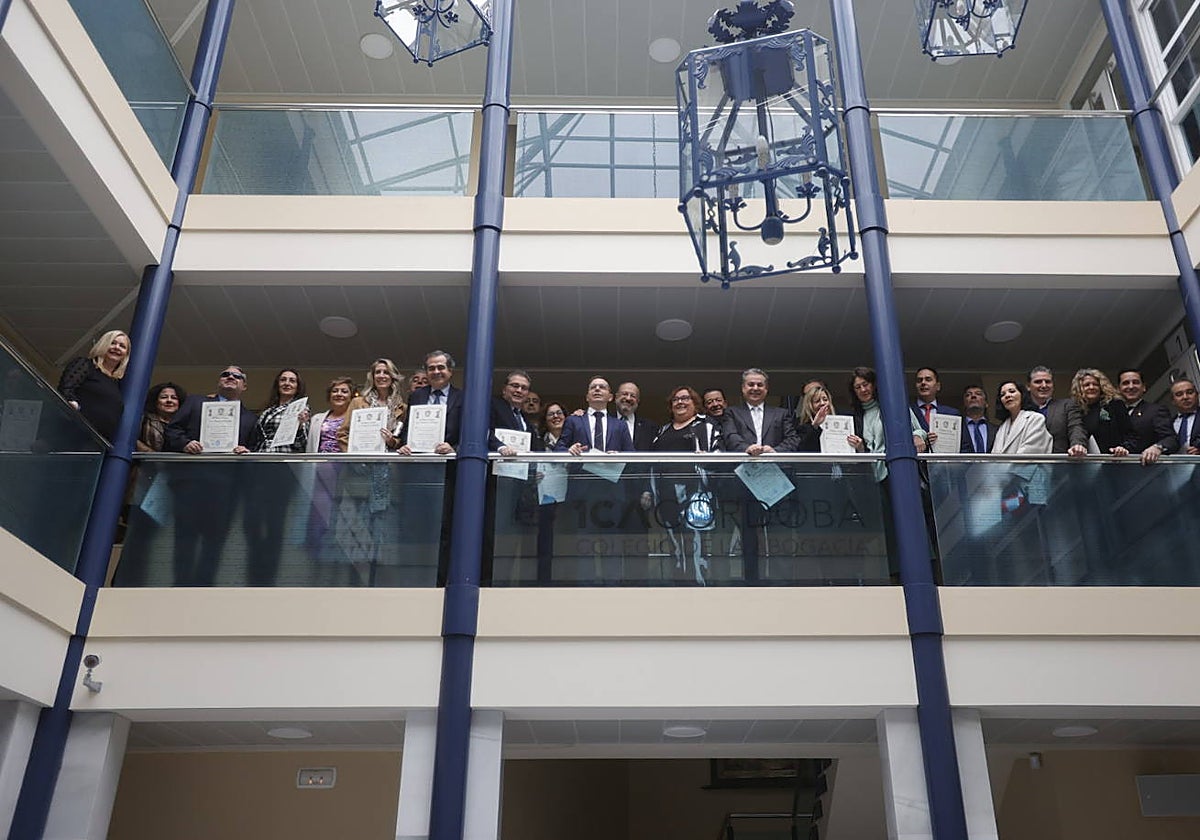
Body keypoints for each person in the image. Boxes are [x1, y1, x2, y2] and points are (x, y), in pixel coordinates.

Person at [163, 366, 258, 585]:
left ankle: (203, 587)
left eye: (237, 376)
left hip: (226, 487)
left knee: (215, 541)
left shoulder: (250, 418)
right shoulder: (196, 402)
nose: (230, 377)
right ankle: (180, 586)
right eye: (226, 374)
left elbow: (253, 448)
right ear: (219, 381)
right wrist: (185, 443)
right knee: (184, 537)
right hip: (191, 481)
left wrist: (245, 451)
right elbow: (172, 430)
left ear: (244, 386)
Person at [640, 386, 723, 585]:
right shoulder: (663, 431)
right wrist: (648, 490)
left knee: (697, 540)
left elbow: (719, 455)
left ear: (695, 404)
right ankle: (679, 585)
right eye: (676, 399)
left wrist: (707, 459)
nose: (680, 402)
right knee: (674, 542)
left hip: (696, 493)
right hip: (666, 493)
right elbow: (651, 463)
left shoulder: (705, 426)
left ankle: (699, 586)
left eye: (685, 398)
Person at [244, 369, 309, 586]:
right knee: (251, 521)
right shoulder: (267, 410)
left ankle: (268, 575)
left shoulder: (301, 409)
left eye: (292, 381)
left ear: (298, 387)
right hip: (259, 468)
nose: (287, 383)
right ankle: (254, 569)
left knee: (274, 522)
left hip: (282, 469)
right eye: (283, 380)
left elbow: (302, 445)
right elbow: (257, 439)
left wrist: (301, 425)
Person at [305, 377, 354, 583]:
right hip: (319, 470)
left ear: (351, 397)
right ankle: (315, 567)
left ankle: (338, 568)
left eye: (344, 391)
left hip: (345, 471)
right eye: (335, 391)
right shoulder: (318, 418)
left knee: (341, 517)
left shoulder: (356, 417)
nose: (339, 394)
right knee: (319, 517)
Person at [847, 367, 928, 476]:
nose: (863, 390)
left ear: (873, 385)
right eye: (858, 387)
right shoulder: (856, 417)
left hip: (898, 470)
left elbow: (920, 430)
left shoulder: (893, 404)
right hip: (872, 476)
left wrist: (917, 436)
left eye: (865, 384)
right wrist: (860, 448)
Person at [57, 329, 129, 442]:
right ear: (103, 345)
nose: (117, 347)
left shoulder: (119, 383)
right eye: (112, 343)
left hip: (98, 443)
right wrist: (73, 404)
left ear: (126, 355)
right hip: (72, 433)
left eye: (122, 346)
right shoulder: (86, 365)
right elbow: (66, 389)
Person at [720, 368, 800, 454]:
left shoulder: (781, 414)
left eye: (760, 385)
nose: (755, 388)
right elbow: (730, 436)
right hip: (743, 460)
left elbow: (792, 439)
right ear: (743, 388)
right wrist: (747, 448)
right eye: (751, 384)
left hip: (774, 461)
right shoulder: (731, 412)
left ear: (766, 389)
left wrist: (775, 451)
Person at [399, 351, 460, 455]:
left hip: (449, 458)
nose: (436, 372)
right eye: (431, 368)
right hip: (419, 457)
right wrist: (405, 445)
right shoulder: (416, 396)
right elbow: (407, 427)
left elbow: (468, 432)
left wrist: (454, 449)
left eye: (441, 367)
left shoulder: (462, 397)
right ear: (427, 373)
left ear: (450, 371)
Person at [555, 377, 635, 454]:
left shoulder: (620, 425)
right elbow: (558, 449)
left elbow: (630, 454)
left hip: (610, 464)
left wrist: (618, 455)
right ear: (587, 397)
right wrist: (570, 450)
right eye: (593, 387)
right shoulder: (573, 420)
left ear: (610, 397)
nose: (597, 389)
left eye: (602, 387)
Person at [341, 358, 406, 452]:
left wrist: (391, 441)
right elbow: (343, 434)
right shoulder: (357, 403)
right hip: (361, 457)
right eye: (378, 372)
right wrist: (352, 454)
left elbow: (402, 439)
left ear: (392, 377)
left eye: (386, 372)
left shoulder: (402, 408)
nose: (381, 376)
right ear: (372, 377)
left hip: (389, 458)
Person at [1117, 368, 1178, 464]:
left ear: (1144, 387)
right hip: (1115, 468)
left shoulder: (1155, 410)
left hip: (1146, 468)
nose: (1131, 386)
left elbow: (1171, 439)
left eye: (1135, 382)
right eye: (1125, 383)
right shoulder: (1114, 413)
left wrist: (1157, 447)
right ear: (1118, 389)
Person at [1070, 368, 1134, 456]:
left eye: (1095, 384)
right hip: (1086, 459)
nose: (1091, 387)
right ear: (1079, 389)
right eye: (1087, 385)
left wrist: (1124, 447)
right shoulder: (1076, 409)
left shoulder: (1114, 404)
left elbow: (1129, 433)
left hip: (1114, 457)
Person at [1027, 366, 1087, 456]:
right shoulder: (1021, 409)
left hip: (1057, 461)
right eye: (1038, 382)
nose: (1044, 385)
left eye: (1048, 382)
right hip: (1026, 461)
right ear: (1028, 386)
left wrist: (1077, 445)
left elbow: (1075, 427)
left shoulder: (1066, 405)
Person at [993, 381, 1053, 455]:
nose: (1007, 395)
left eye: (1012, 391)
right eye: (1003, 395)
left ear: (1022, 395)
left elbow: (1030, 452)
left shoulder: (1036, 419)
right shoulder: (1002, 426)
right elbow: (994, 455)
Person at [490, 370, 543, 453]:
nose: (519, 390)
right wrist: (500, 447)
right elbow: (484, 431)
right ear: (504, 389)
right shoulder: (492, 405)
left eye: (524, 388)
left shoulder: (524, 418)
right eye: (515, 386)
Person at [137, 382, 185, 453]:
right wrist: (150, 453)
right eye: (164, 397)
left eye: (174, 398)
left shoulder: (185, 423)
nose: (169, 400)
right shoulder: (144, 419)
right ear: (155, 401)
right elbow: (131, 440)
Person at [912, 366, 960, 434]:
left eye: (928, 379)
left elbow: (962, 440)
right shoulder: (907, 412)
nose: (923, 383)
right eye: (919, 380)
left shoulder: (952, 413)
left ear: (938, 386)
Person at [615, 381, 657, 451]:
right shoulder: (605, 421)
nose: (628, 398)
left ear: (638, 401)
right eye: (625, 394)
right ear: (616, 397)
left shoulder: (650, 427)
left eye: (633, 396)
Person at [795, 382, 835, 452]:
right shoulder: (802, 426)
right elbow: (802, 449)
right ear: (810, 406)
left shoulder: (841, 422)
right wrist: (815, 426)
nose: (822, 403)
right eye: (817, 401)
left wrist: (856, 445)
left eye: (825, 399)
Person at [959, 383, 996, 453]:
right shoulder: (957, 429)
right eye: (968, 395)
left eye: (978, 394)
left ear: (986, 403)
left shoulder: (997, 430)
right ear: (964, 404)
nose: (973, 396)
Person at [1170, 378, 1200, 455]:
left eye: (1190, 392)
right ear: (1173, 401)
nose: (1185, 397)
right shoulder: (1169, 424)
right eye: (1179, 394)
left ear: (1197, 395)